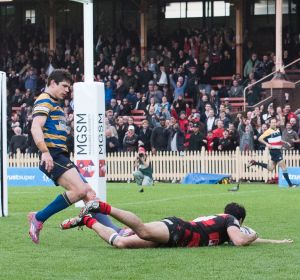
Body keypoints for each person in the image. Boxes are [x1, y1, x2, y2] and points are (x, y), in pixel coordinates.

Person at [28, 69, 119, 244]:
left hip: (60, 154)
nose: (67, 90)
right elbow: (35, 127)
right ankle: (38, 217)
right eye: (64, 86)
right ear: (52, 82)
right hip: (53, 153)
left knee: (90, 195)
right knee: (80, 191)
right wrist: (45, 152)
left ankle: (116, 231)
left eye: (69, 87)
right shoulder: (44, 100)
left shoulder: (55, 103)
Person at [60, 201, 292, 248]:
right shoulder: (229, 220)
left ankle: (88, 221)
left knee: (121, 242)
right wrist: (251, 235)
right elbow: (241, 240)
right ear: (239, 220)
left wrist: (276, 241)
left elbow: (240, 238)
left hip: (176, 236)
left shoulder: (224, 226)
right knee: (140, 230)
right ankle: (102, 207)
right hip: (178, 230)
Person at [247, 118, 297, 188]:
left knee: (270, 168)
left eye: (274, 122)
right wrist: (267, 144)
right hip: (275, 151)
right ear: (270, 124)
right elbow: (259, 138)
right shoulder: (268, 131)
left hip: (277, 151)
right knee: (284, 167)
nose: (274, 124)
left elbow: (279, 139)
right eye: (272, 123)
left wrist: (285, 142)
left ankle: (255, 163)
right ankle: (290, 185)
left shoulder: (277, 129)